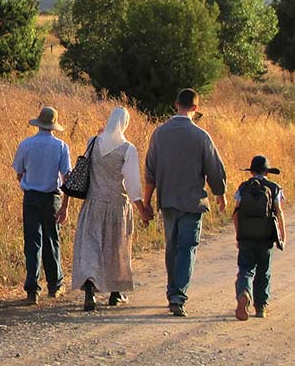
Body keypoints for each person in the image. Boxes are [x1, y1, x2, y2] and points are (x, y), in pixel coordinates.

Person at [144, 88, 227, 317]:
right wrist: (220, 193)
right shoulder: (201, 136)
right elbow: (214, 169)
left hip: (168, 200)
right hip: (192, 201)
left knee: (172, 246)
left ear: (175, 104)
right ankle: (178, 296)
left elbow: (150, 170)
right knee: (187, 247)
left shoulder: (159, 134)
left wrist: (147, 202)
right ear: (195, 108)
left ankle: (173, 292)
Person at [68, 106, 151, 312]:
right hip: (117, 206)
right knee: (117, 247)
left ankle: (89, 288)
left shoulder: (93, 142)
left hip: (93, 203)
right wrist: (141, 208)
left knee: (91, 246)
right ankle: (115, 293)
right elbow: (132, 183)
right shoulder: (127, 149)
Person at [12, 106, 72, 305]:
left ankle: (32, 288)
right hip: (51, 197)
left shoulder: (26, 144)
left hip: (31, 196)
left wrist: (27, 184)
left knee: (32, 241)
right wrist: (65, 206)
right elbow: (66, 178)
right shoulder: (61, 146)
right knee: (52, 239)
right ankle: (55, 285)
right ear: (53, 126)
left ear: (39, 123)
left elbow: (19, 172)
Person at [233, 155, 287, 321]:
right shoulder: (274, 188)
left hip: (246, 237)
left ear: (251, 171)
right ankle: (261, 307)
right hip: (266, 237)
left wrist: (238, 234)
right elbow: (278, 211)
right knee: (263, 271)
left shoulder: (243, 187)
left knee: (246, 269)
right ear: (267, 172)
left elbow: (236, 213)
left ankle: (244, 292)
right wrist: (282, 235)